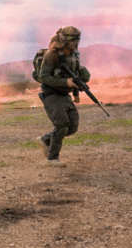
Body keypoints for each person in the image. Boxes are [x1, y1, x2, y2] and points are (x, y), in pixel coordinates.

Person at [35, 26, 90, 167]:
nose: (76, 43)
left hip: (65, 94)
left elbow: (75, 74)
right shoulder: (52, 54)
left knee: (72, 127)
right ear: (65, 39)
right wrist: (66, 82)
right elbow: (44, 77)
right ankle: (52, 159)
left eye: (77, 40)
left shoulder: (73, 54)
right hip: (51, 94)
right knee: (62, 127)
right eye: (73, 40)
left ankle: (46, 140)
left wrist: (77, 89)